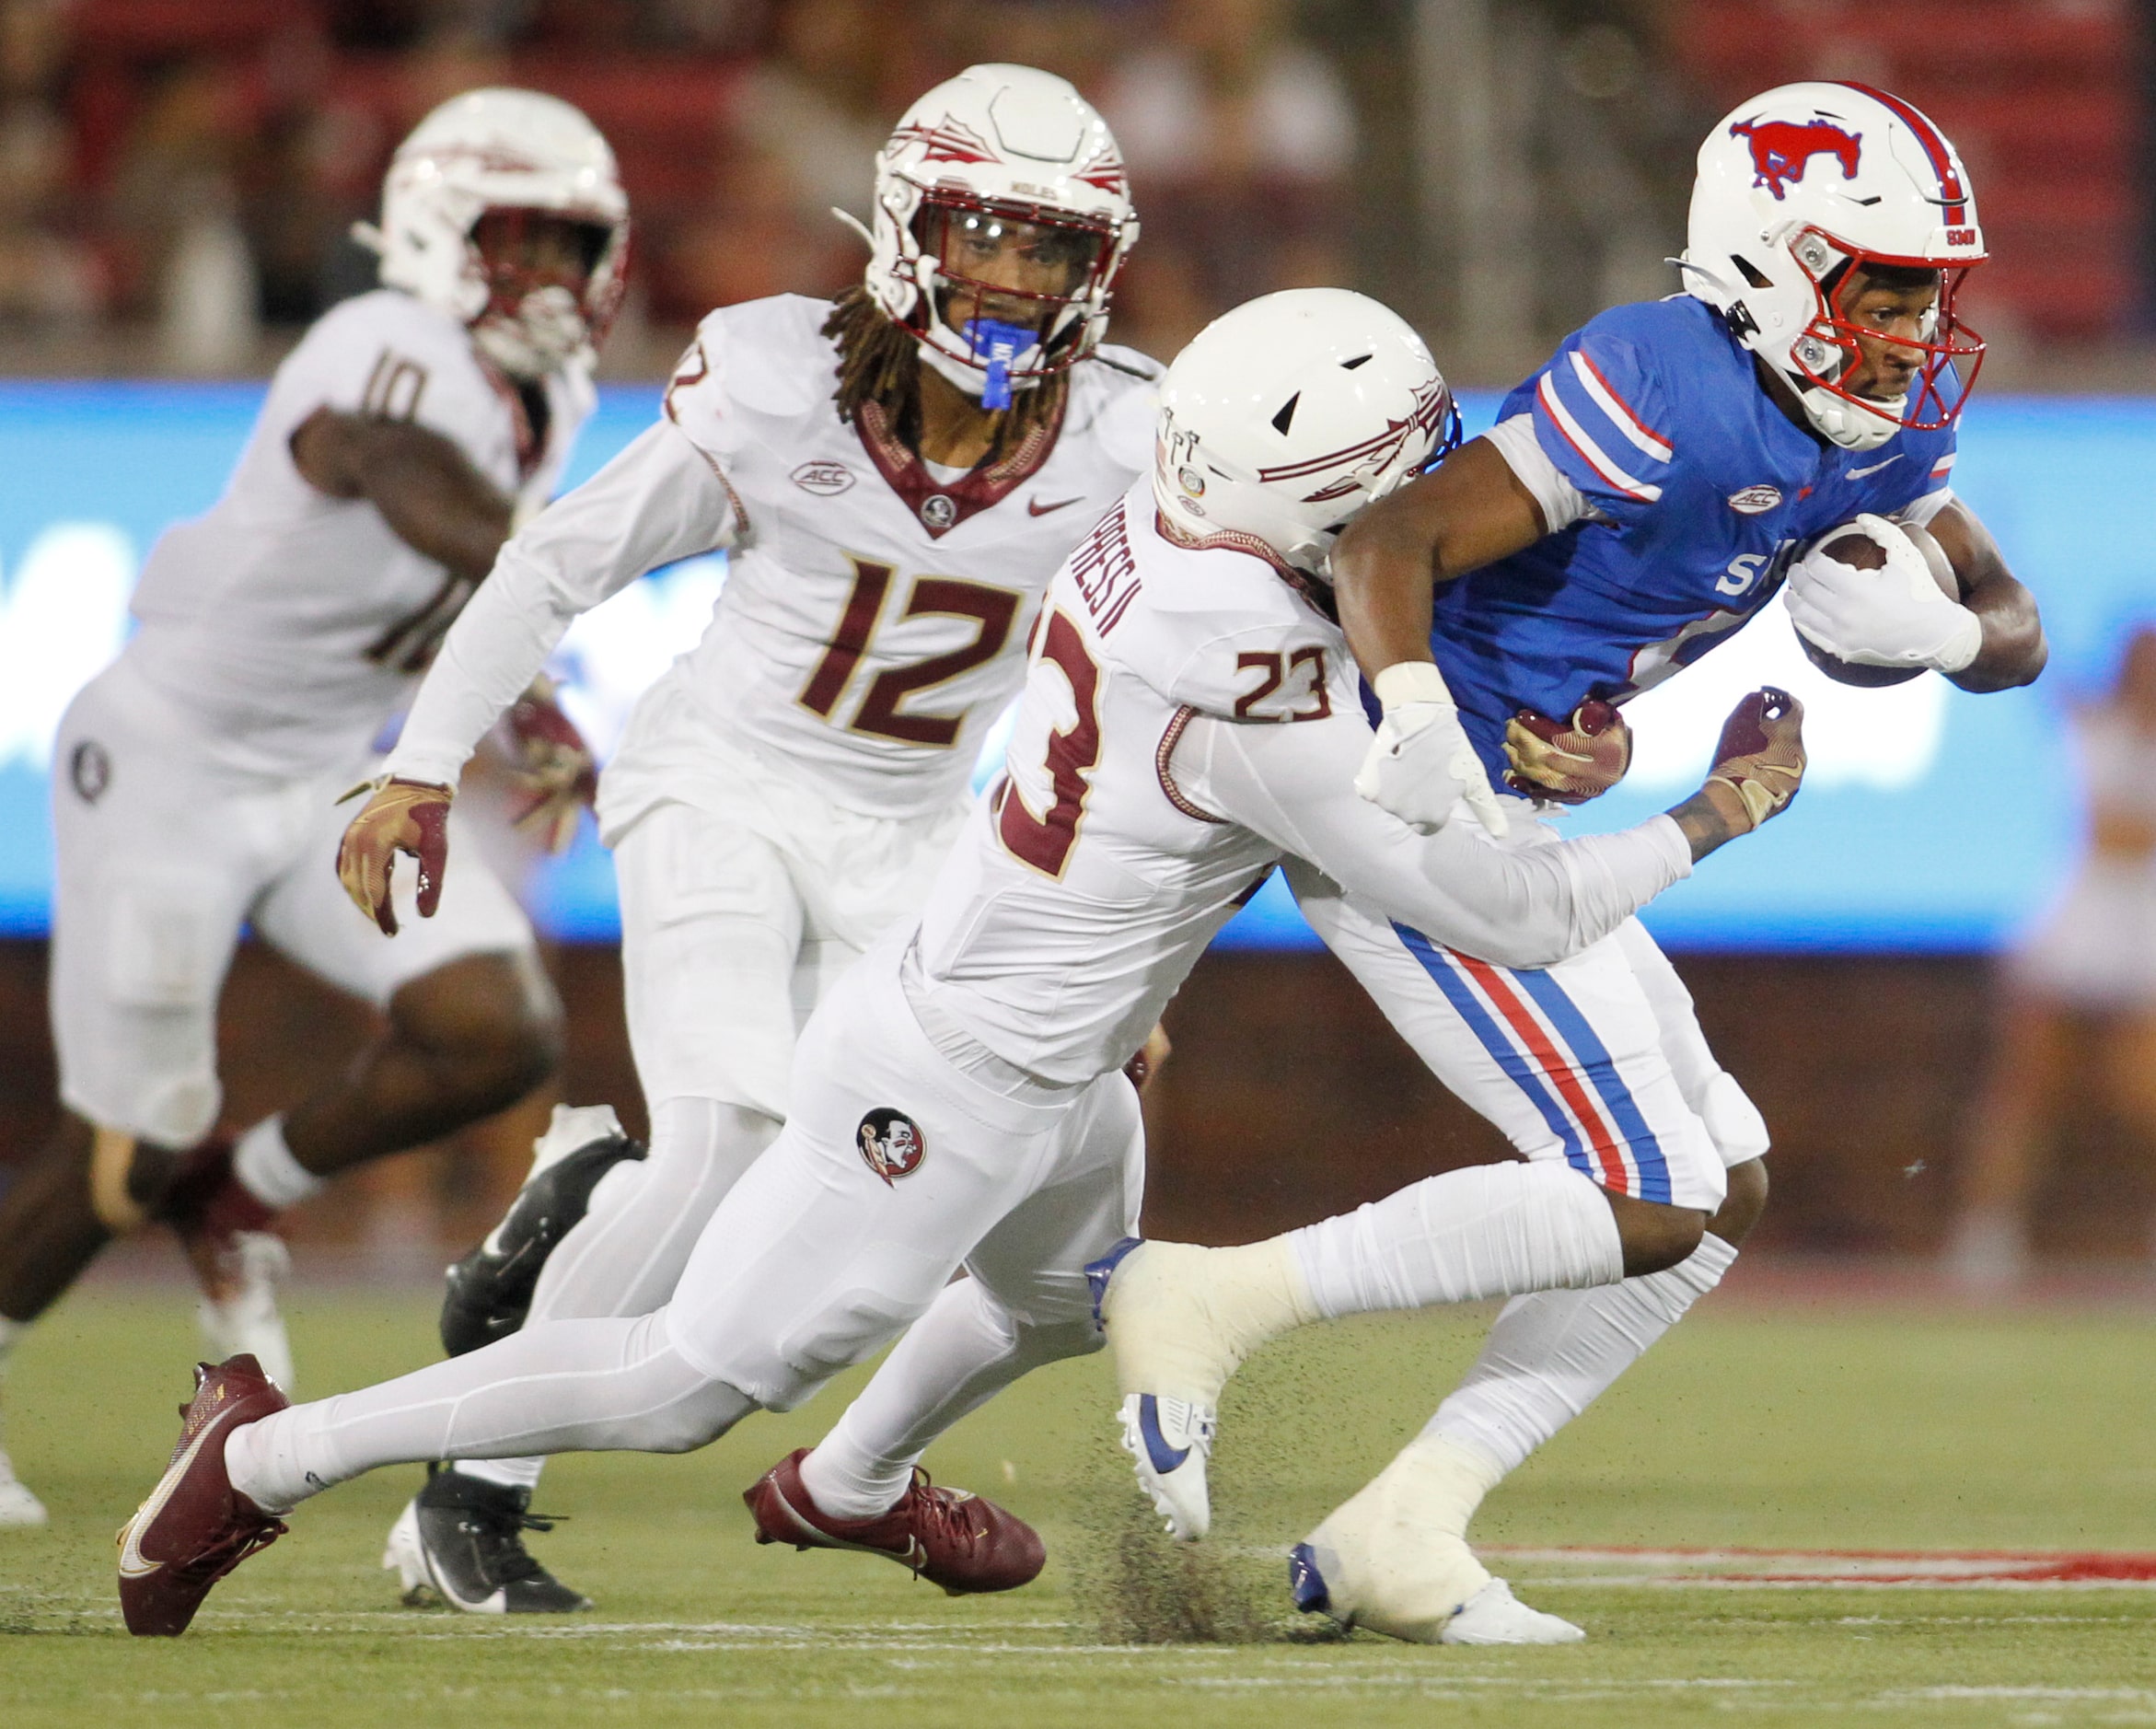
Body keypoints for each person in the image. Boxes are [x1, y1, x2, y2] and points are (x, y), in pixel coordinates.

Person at [113, 284, 1806, 1642]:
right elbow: (1509, 916)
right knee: (685, 1381)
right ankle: (266, 1445)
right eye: (1408, 478)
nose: (1434, 509)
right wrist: (1716, 808)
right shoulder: (1274, 685)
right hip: (953, 1076)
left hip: (1038, 1035)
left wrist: (1504, 733)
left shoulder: (1165, 532)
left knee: (1067, 1296)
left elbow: (1311, 711)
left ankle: (851, 1483)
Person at [1095, 80, 2046, 1644]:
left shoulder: (1890, 422)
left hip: (1519, 787)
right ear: (1772, 260)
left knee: (1719, 1179)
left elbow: (2014, 633)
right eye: (1881, 286)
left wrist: (1937, 631)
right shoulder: (1662, 377)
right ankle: (1209, 1294)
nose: (1908, 330)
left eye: (1928, 293)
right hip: (1411, 799)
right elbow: (1384, 545)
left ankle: (1406, 1523)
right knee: (1650, 1188)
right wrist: (1418, 717)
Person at [324, 64, 1159, 1615]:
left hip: (916, 842)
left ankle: (593, 1215)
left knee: (908, 1202)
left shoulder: (1127, 442)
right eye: (985, 233)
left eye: (1048, 247)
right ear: (910, 226)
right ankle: (462, 1506)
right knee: (730, 1146)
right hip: (721, 783)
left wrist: (1129, 967)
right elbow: (557, 563)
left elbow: (1131, 708)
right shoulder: (780, 380)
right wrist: (422, 765)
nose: (1013, 277)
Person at [0, 87, 627, 1528]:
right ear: (439, 228)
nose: (555, 274)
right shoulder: (384, 339)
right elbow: (389, 469)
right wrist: (547, 585)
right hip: (173, 759)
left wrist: (524, 706)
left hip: (328, 769)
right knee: (124, 1145)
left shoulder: (554, 394)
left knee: (495, 1026)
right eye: (522, 237)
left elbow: (465, 586)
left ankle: (242, 1191)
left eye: (571, 242)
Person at [1946, 626, 2156, 1287]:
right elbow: (2111, 833)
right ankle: (1986, 1236)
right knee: (2024, 1092)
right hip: (2081, 930)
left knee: (2143, 1096)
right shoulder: (2094, 731)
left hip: (2145, 938)